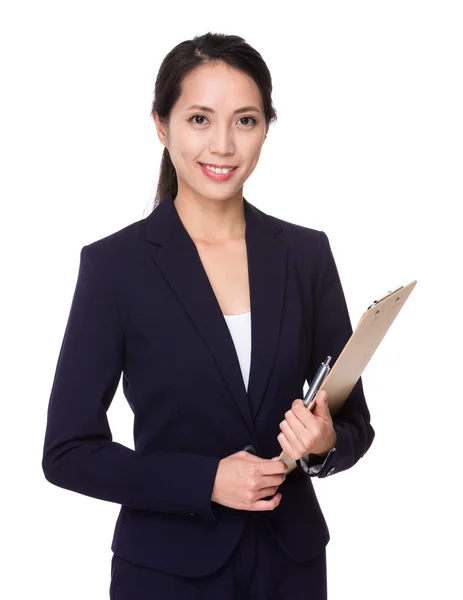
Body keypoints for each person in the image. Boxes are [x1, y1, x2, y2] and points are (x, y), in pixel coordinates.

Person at [42, 32, 375, 600]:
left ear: (266, 128)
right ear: (160, 125)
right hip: (167, 573)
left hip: (289, 566)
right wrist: (206, 481)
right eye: (200, 119)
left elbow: (355, 428)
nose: (222, 145)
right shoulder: (114, 266)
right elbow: (68, 453)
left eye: (244, 121)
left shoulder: (306, 255)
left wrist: (321, 443)